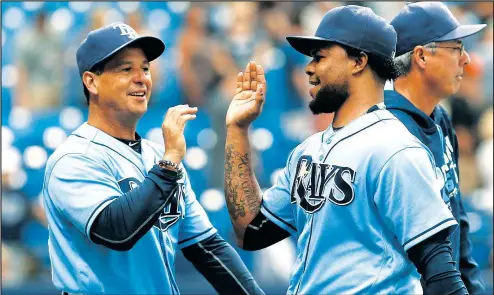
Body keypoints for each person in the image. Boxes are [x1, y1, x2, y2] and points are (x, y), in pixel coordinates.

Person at [223, 5, 470, 294]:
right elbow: (251, 232)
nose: (309, 67)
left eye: (320, 56)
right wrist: (238, 131)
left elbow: (440, 272)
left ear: (358, 62)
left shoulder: (396, 149)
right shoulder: (308, 150)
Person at [42, 22, 264, 295]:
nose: (141, 78)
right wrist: (170, 162)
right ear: (91, 81)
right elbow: (117, 231)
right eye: (126, 69)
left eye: (145, 68)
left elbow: (208, 248)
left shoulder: (156, 157)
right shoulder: (74, 159)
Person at [385, 2, 487, 293]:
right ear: (421, 56)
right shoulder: (386, 131)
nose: (466, 59)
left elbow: (457, 221)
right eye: (456, 48)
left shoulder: (440, 118)